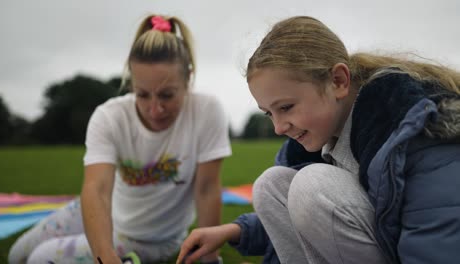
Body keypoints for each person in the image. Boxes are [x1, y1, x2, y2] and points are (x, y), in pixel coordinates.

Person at [177, 16, 460, 264]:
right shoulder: (321, 139)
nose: (277, 127)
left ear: (338, 81)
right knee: (272, 184)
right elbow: (316, 224)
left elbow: (436, 240)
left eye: (286, 107)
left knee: (311, 185)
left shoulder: (417, 133)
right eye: (268, 114)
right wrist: (236, 231)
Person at [9, 14, 231, 264]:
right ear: (131, 82)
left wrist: (209, 258)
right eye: (143, 94)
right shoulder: (110, 116)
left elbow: (207, 188)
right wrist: (105, 256)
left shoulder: (206, 111)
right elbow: (97, 189)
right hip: (106, 211)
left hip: (151, 239)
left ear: (188, 78)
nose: (154, 109)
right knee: (17, 255)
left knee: (39, 259)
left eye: (167, 95)